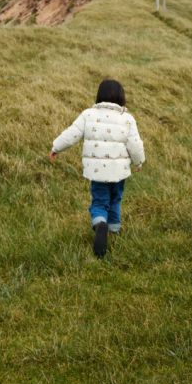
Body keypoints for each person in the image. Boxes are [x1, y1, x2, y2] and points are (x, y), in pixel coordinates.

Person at [49, 78, 145, 257]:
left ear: (99, 96)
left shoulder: (88, 115)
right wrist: (139, 161)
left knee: (100, 201)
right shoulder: (127, 119)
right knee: (116, 198)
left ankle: (100, 223)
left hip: (97, 172)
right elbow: (135, 144)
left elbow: (72, 134)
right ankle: (114, 230)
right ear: (121, 98)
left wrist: (56, 147)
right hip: (119, 173)